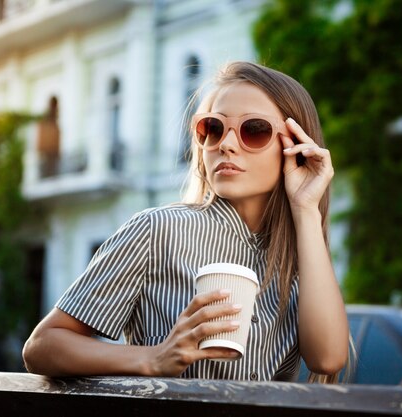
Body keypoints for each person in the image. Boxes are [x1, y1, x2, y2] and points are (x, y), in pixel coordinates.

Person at [22, 61, 349, 381]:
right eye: (213, 128)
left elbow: (327, 358)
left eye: (254, 130)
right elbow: (42, 345)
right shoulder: (157, 230)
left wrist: (306, 209)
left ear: (295, 146)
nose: (227, 145)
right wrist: (154, 358)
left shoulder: (301, 255)